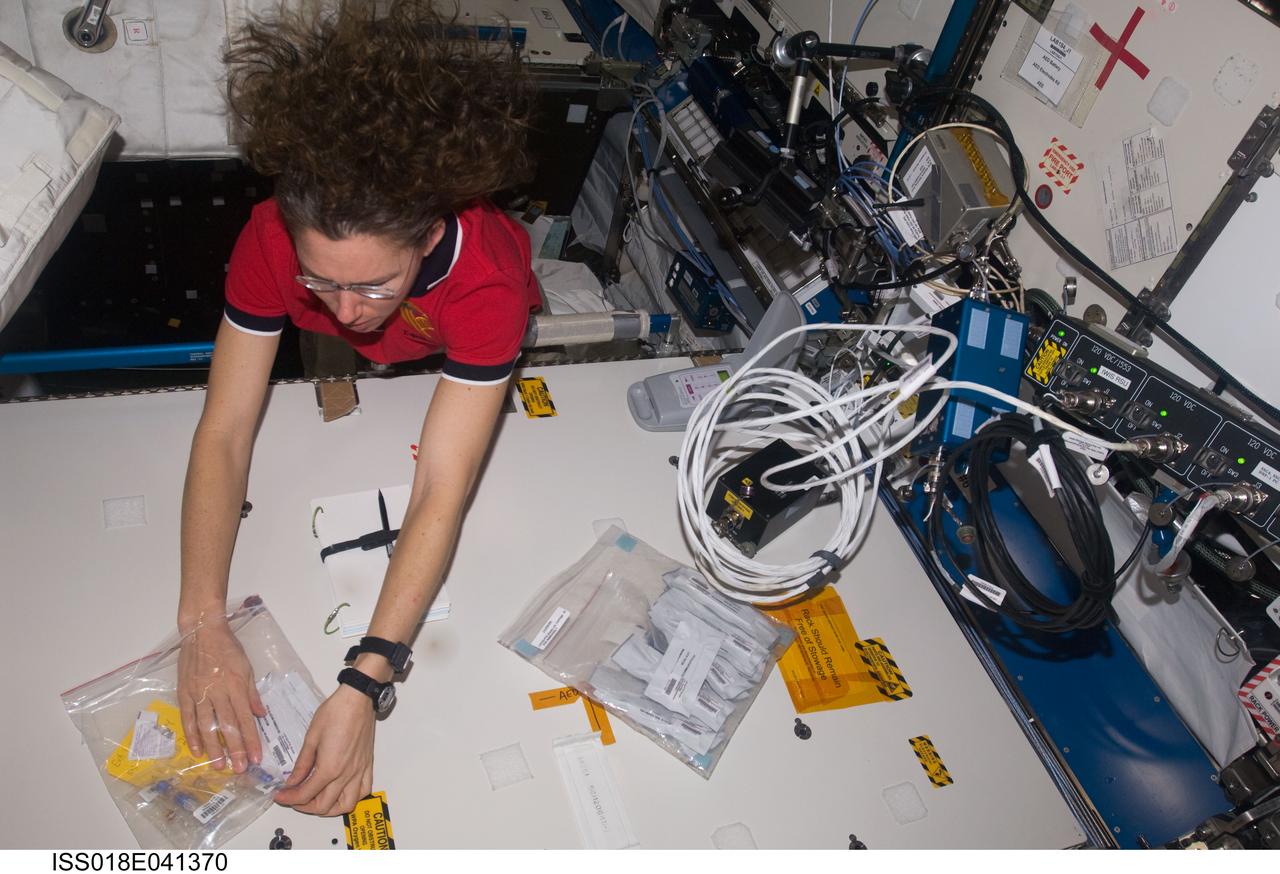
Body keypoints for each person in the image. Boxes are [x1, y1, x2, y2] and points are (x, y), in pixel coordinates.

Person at [175, 0, 539, 816]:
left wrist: (365, 680)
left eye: (373, 283)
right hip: (391, 336)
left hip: (453, 339)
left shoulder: (489, 284)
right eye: (322, 280)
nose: (344, 311)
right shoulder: (271, 239)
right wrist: (201, 622)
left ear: (428, 233)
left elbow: (441, 486)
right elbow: (225, 431)